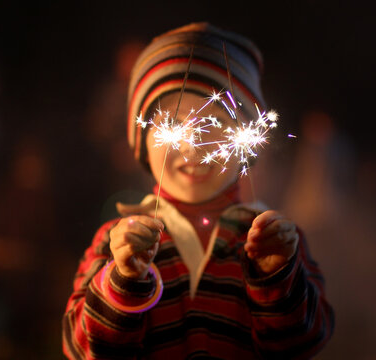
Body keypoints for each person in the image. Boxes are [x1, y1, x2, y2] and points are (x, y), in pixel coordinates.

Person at [62, 22, 334, 359]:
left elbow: (304, 343)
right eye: (172, 124)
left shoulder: (275, 240)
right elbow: (83, 349)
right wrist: (124, 281)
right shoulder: (115, 242)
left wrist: (276, 278)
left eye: (217, 123)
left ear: (246, 139)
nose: (193, 149)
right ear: (143, 140)